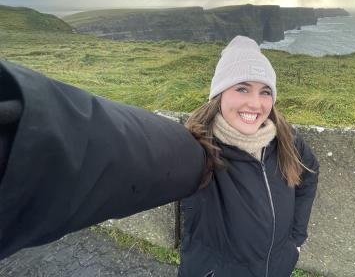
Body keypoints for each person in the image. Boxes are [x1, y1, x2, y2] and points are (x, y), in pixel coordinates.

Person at [0, 36, 318, 277]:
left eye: (265, 91)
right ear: (219, 94)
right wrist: (26, 135)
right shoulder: (199, 147)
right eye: (242, 88)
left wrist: (295, 241)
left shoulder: (286, 138)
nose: (255, 103)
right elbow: (124, 149)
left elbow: (309, 173)